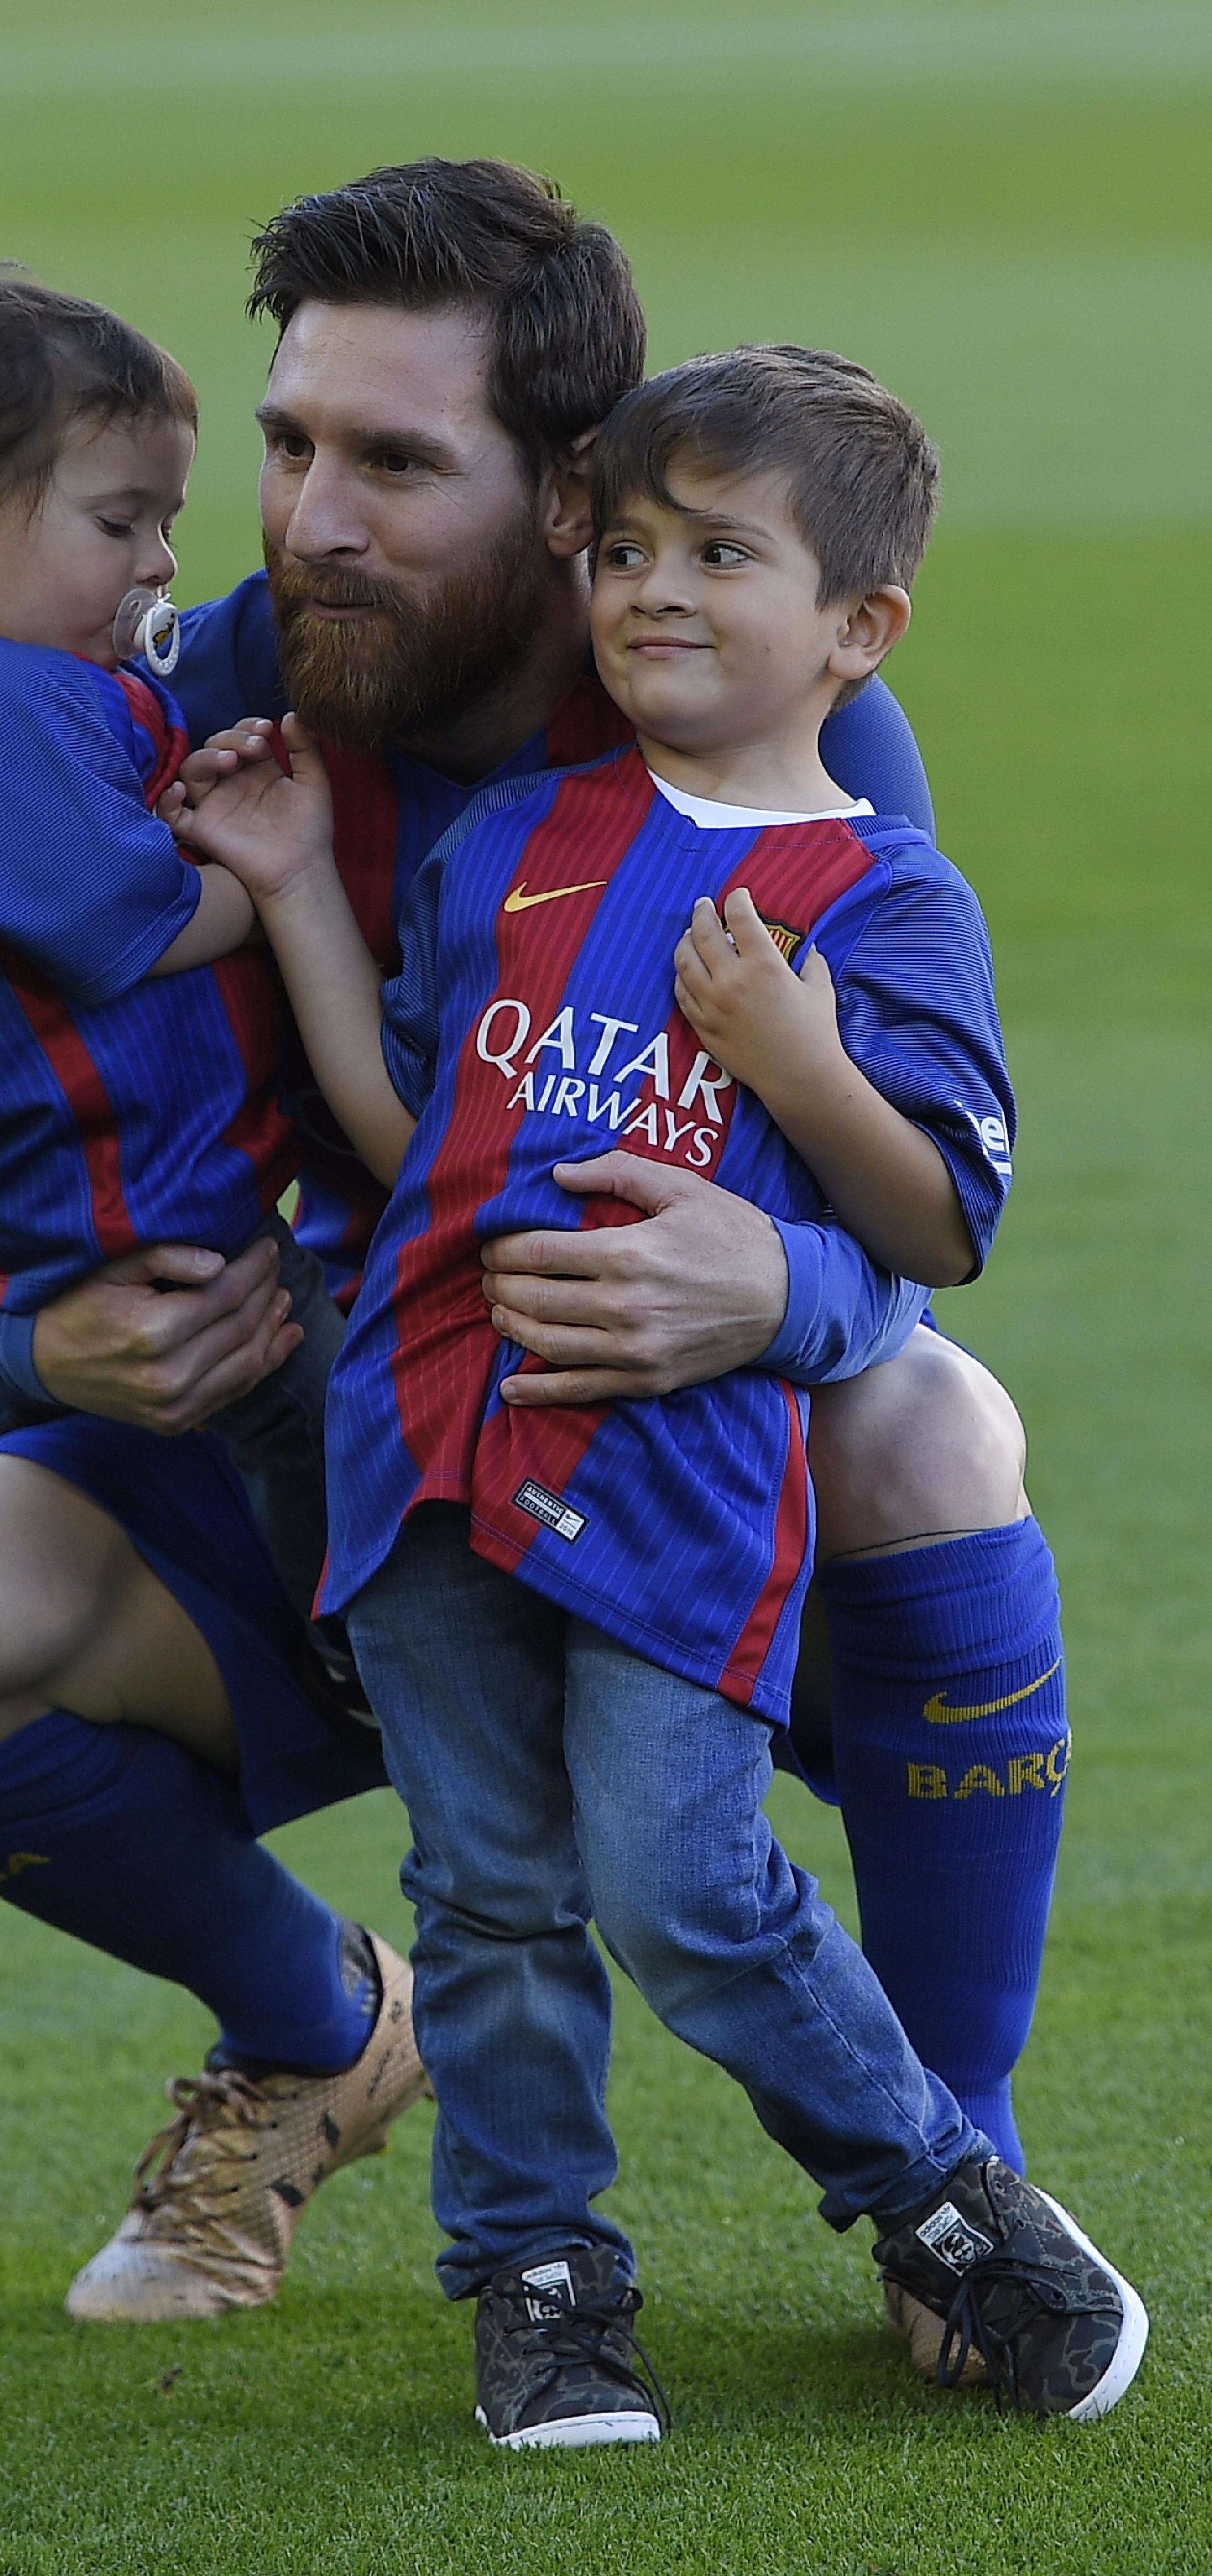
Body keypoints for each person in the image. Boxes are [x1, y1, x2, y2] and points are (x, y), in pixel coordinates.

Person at [0, 162, 1068, 2335]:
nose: (304, 517)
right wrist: (48, 1331)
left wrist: (787, 1294)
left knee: (932, 1428)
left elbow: (900, 1190)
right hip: (337, 1449)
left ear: (575, 493)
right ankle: (315, 2029)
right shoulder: (192, 689)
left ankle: (956, 2170)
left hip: (645, 1454)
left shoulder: (780, 721)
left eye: (393, 462)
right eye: (292, 444)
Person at [171, 342, 1146, 2443]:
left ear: (857, 629)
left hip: (679, 1462)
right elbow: (407, 1118)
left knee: (679, 1878)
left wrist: (797, 1067)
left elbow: (945, 1214)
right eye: (622, 548)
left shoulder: (883, 893)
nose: (656, 590)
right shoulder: (520, 832)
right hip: (428, 1433)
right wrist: (281, 893)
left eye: (723, 553)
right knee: (488, 1892)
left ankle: (938, 2192)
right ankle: (540, 2277)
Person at [0, 266, 430, 2309]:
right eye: (119, 523)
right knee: (294, 1409)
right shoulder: (0, 703)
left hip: (67, 1211)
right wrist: (252, 880)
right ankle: (364, 1645)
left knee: (205, 1360)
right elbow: (100, 931)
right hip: (145, 1215)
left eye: (175, 518)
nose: (168, 564)